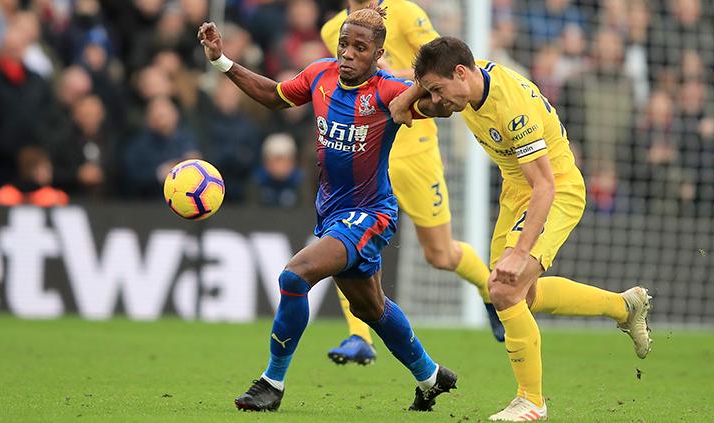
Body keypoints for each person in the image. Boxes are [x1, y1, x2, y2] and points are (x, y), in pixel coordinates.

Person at [197, 6, 457, 413]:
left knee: (294, 276)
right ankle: (430, 375)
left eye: (360, 47)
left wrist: (430, 90)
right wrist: (222, 61)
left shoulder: (389, 91)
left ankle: (272, 383)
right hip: (333, 213)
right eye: (344, 44)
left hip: (371, 213)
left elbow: (438, 106)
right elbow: (274, 96)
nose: (348, 53)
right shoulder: (320, 75)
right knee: (370, 308)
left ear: (378, 54)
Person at [389, 36, 653, 421]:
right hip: (517, 191)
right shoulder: (466, 77)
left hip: (554, 189)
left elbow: (545, 186)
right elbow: (440, 85)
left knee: (504, 288)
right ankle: (624, 306)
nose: (435, 99)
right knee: (519, 297)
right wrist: (409, 95)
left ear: (460, 75)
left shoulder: (512, 108)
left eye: (438, 90)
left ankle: (532, 401)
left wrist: (518, 252)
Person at [320, 0, 504, 367]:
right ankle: (359, 337)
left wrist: (391, 75)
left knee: (441, 254)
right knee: (342, 239)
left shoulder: (403, 11)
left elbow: (442, 68)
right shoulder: (332, 31)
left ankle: (489, 289)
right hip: (366, 150)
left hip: (414, 147)